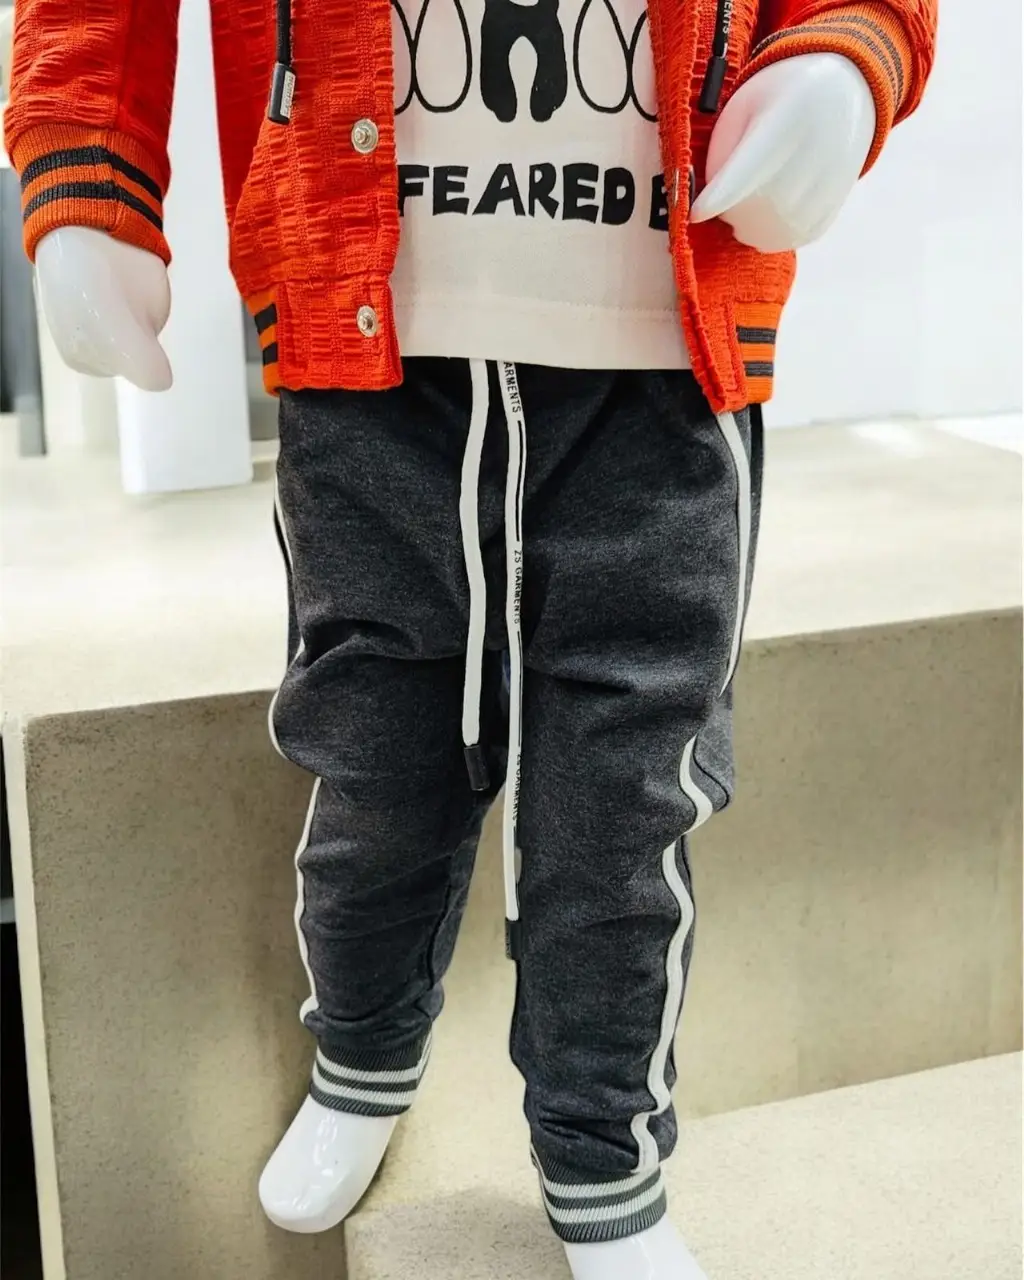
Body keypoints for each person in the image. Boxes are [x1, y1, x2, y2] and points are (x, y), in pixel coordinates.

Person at [4, 1, 937, 1274]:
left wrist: (846, 52)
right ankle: (362, 1056)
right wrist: (83, 166)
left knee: (623, 808)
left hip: (663, 347)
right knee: (373, 759)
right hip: (365, 333)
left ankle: (602, 1160)